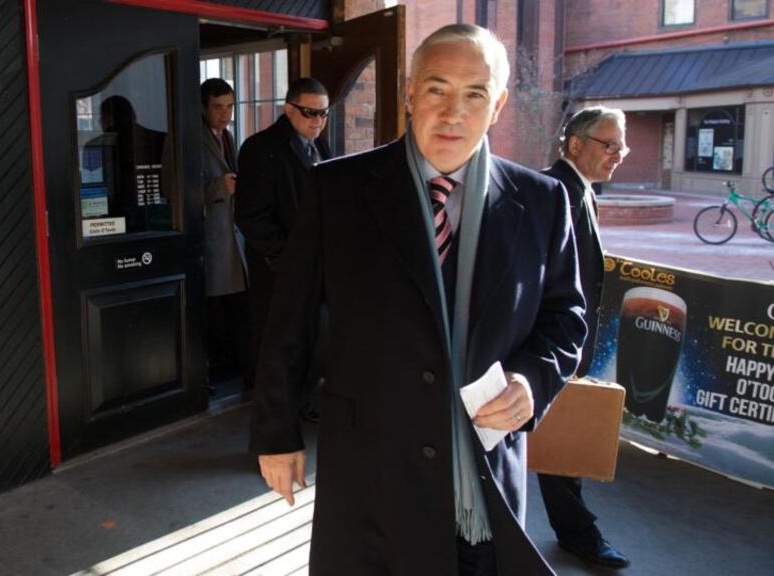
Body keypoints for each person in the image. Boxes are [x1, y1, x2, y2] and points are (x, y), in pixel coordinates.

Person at [249, 24, 586, 575]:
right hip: (373, 469)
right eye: (437, 89)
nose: (453, 112)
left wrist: (532, 380)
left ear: (497, 104)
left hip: (482, 476)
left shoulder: (544, 202)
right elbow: (289, 320)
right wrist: (275, 432)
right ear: (409, 93)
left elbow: (565, 316)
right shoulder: (337, 190)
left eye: (475, 93)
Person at [538, 106, 630, 569]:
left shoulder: (580, 189)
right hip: (547, 349)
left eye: (622, 146)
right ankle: (579, 535)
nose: (618, 154)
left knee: (554, 448)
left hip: (562, 346)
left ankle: (575, 533)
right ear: (575, 144)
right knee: (558, 450)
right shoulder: (553, 190)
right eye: (609, 144)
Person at [235, 78, 331, 394]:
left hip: (313, 264)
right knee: (275, 336)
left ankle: (300, 399)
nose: (318, 121)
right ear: (289, 109)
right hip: (278, 265)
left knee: (310, 335)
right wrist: (286, 259)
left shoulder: (320, 145)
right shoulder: (260, 148)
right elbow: (251, 216)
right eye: (310, 112)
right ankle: (268, 407)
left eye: (324, 113)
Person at [200, 79, 250, 385]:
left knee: (238, 313)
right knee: (214, 315)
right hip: (210, 241)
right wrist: (220, 187)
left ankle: (236, 372)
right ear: (203, 107)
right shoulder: (189, 138)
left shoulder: (229, 137)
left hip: (235, 241)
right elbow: (171, 190)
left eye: (229, 107)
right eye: (217, 107)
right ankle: (215, 376)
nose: (225, 114)